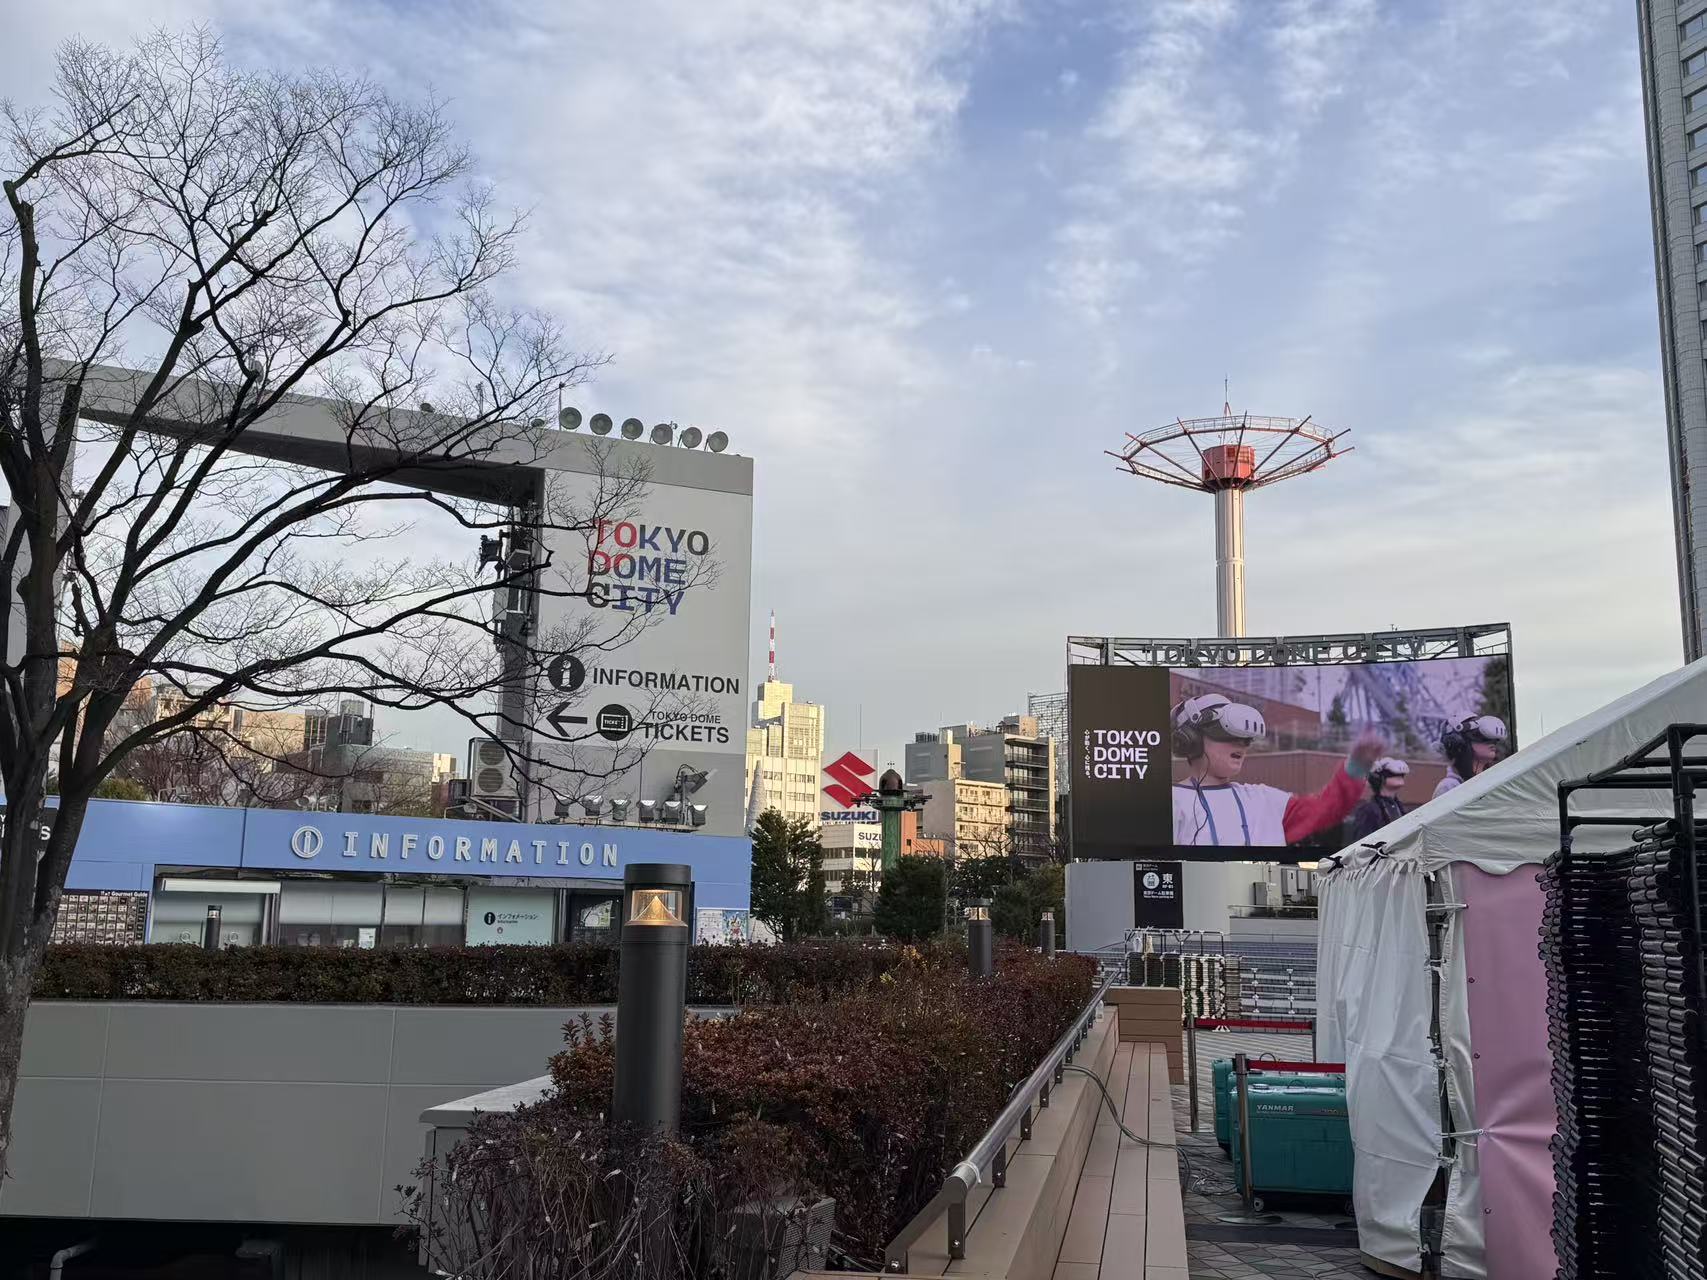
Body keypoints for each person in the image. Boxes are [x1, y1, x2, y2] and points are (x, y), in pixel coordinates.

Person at [1171, 694, 1386, 848]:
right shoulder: (1171, 802)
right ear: (1190, 741)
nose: (1242, 745)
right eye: (1227, 735)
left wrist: (1356, 767)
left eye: (1246, 738)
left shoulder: (1263, 799)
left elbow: (1325, 809)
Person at [1433, 714, 1508, 799]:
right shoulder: (1450, 786)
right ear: (1458, 744)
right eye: (1479, 736)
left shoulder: (1490, 782)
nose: (1492, 742)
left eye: (1494, 740)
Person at [1346, 757, 1410, 844]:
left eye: (1401, 775)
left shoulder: (1399, 807)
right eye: (1391, 774)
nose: (1399, 777)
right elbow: (1362, 843)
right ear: (1379, 778)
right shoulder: (1368, 810)